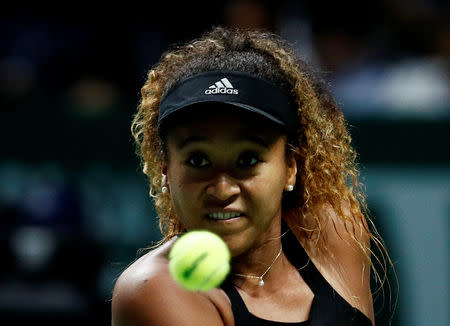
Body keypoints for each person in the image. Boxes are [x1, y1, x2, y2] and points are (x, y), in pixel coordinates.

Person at [111, 26, 390, 326]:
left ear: (290, 167)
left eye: (247, 159)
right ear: (166, 171)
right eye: (198, 160)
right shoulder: (151, 291)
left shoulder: (335, 231)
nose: (222, 188)